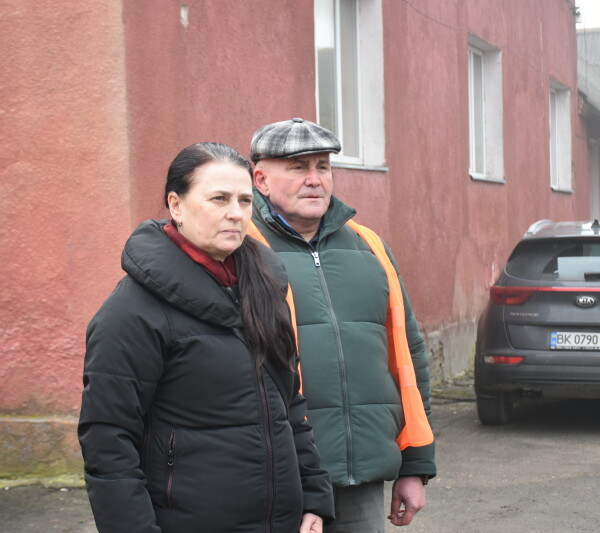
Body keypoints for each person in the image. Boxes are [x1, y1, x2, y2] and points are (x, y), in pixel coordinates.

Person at [78, 142, 334, 533]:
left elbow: (289, 405)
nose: (236, 213)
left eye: (245, 201)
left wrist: (313, 495)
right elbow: (108, 440)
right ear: (176, 205)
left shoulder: (265, 287)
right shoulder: (133, 310)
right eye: (219, 199)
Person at [248, 118, 436, 531]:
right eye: (298, 167)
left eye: (323, 166)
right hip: (278, 478)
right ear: (260, 179)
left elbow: (408, 358)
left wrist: (415, 465)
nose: (314, 179)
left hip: (360, 480)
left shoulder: (369, 246)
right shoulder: (241, 249)